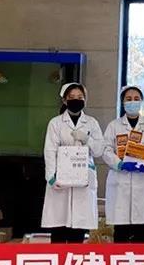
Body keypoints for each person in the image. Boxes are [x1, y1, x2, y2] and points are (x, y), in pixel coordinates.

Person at [41, 83, 104, 244]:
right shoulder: (55, 123)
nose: (76, 100)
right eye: (71, 97)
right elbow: (50, 151)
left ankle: (74, 259)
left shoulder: (91, 123)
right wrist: (51, 176)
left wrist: (87, 139)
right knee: (59, 228)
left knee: (78, 230)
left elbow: (99, 151)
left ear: (85, 100)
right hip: (61, 178)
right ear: (64, 100)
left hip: (83, 178)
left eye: (80, 97)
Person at [103, 86, 144, 242]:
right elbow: (105, 150)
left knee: (142, 233)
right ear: (123, 102)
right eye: (129, 99)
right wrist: (119, 164)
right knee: (121, 232)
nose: (133, 102)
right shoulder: (114, 126)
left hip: (143, 181)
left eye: (136, 99)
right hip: (120, 181)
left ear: (141, 101)